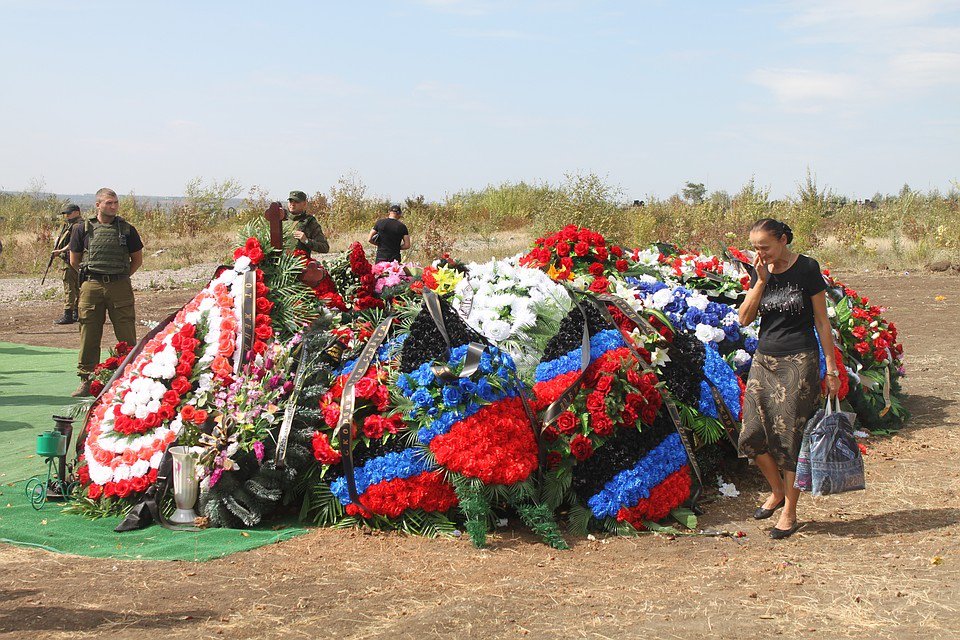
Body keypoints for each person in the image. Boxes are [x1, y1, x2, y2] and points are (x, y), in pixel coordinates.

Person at [737, 218, 840, 539]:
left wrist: (832, 368)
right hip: (764, 360)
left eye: (764, 247)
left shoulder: (807, 269)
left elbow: (822, 322)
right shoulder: (760, 271)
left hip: (800, 361)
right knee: (751, 435)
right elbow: (743, 318)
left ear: (783, 240)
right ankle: (777, 490)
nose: (759, 253)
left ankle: (789, 512)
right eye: (755, 247)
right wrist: (761, 281)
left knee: (789, 438)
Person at [69, 188, 144, 397]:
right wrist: (92, 276)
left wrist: (120, 276)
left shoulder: (127, 229)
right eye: (109, 203)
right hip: (91, 285)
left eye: (116, 203)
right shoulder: (82, 229)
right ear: (98, 205)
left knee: (126, 332)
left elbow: (137, 260)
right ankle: (86, 380)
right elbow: (74, 260)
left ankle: (131, 377)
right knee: (89, 333)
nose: (113, 206)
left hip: (119, 285)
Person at [53, 203, 83, 324]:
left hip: (72, 260)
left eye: (69, 213)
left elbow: (73, 244)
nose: (67, 216)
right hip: (73, 259)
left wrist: (60, 250)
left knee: (70, 287)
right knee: (76, 287)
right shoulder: (74, 225)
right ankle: (75, 313)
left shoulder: (77, 226)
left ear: (76, 212)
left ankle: (68, 314)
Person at [287, 190, 329, 258]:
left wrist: (306, 241)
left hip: (299, 265)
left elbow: (324, 247)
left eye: (296, 202)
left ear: (304, 204)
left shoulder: (309, 221)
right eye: (290, 201)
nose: (292, 204)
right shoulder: (280, 220)